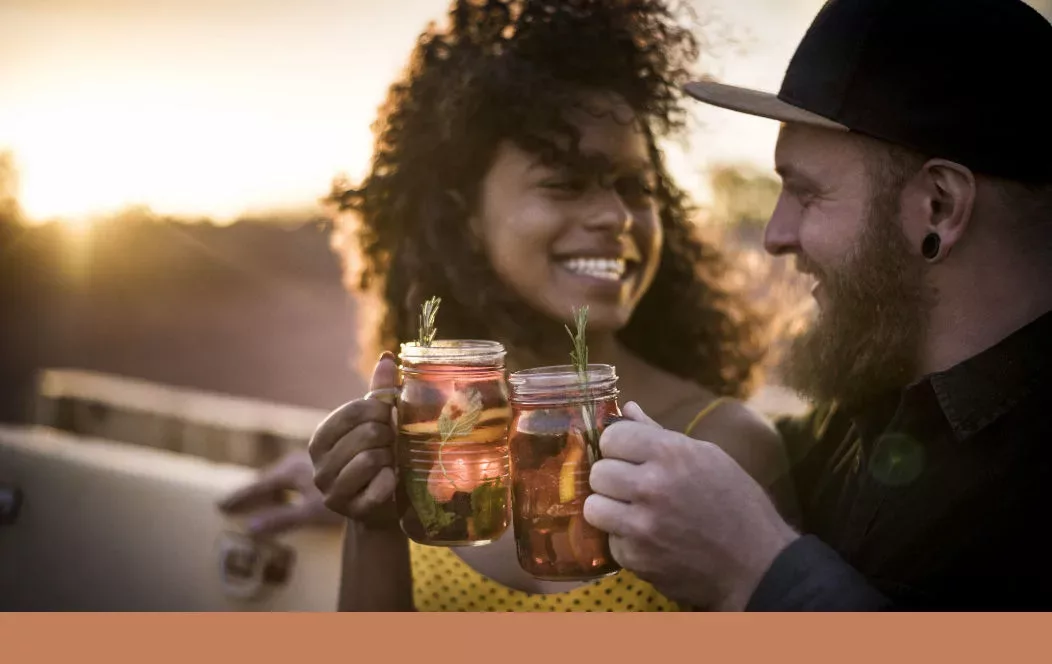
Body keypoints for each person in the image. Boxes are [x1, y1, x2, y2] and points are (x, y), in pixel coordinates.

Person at [223, 0, 800, 611]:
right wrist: (372, 517)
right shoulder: (424, 447)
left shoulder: (724, 451)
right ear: (465, 218)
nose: (615, 216)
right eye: (565, 182)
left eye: (636, 188)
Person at [582, 0, 1052, 610]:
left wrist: (757, 572)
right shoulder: (855, 418)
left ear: (938, 205)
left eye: (806, 192)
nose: (775, 234)